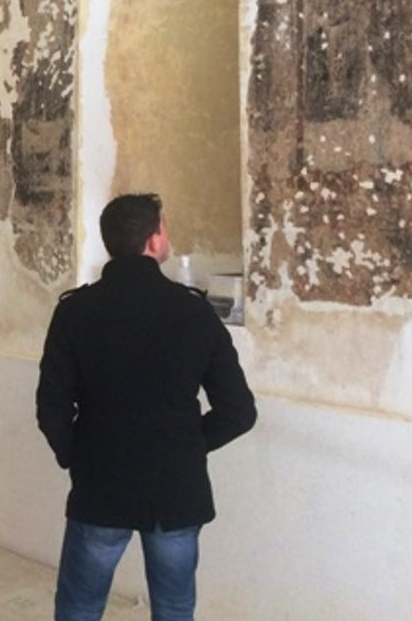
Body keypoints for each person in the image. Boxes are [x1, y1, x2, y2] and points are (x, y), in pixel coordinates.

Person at [35, 193, 257, 621]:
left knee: (80, 607)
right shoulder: (194, 312)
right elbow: (239, 412)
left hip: (101, 480)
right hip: (176, 485)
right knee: (174, 609)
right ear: (154, 241)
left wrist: (77, 455)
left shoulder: (76, 311)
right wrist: (187, 447)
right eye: (164, 227)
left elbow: (52, 406)